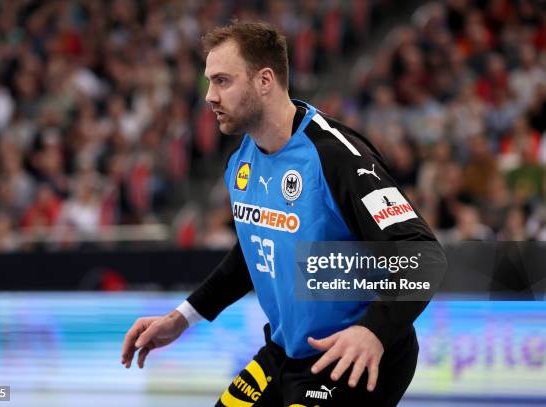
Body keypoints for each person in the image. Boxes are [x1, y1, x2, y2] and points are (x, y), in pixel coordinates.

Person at [122, 21, 444, 406]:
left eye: (223, 81)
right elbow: (254, 252)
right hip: (285, 353)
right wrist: (181, 318)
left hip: (351, 356)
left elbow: (424, 256)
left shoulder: (335, 156)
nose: (209, 96)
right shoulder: (241, 160)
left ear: (264, 80)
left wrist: (373, 331)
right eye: (209, 82)